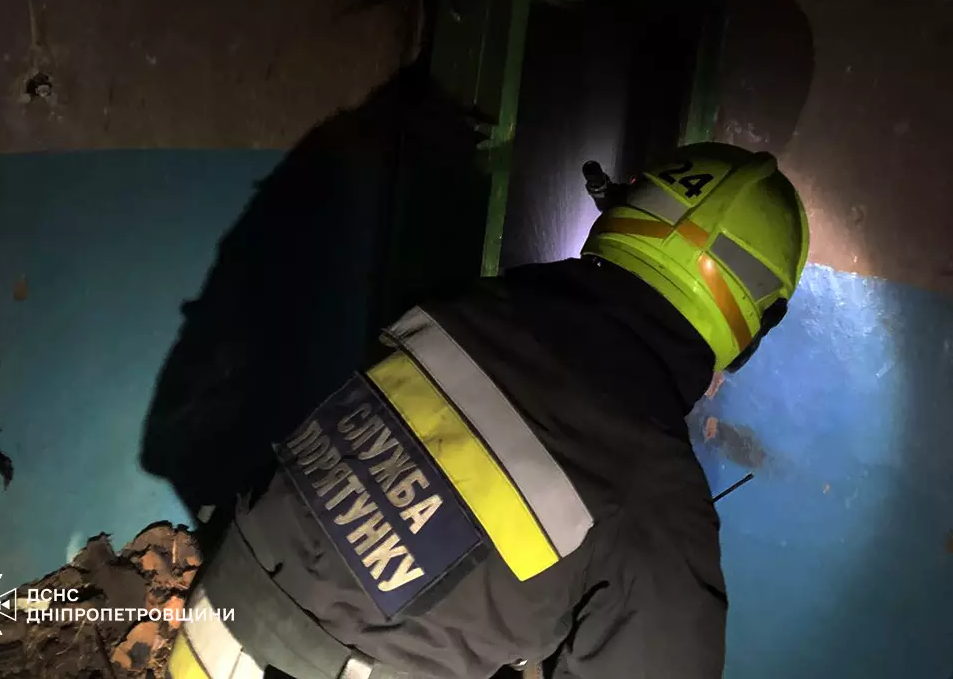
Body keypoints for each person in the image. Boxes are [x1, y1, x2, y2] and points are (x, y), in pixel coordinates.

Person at [165, 141, 809, 679]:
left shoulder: (456, 308)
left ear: (626, 212)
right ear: (748, 328)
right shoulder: (660, 504)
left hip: (210, 625)